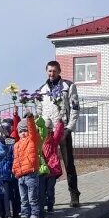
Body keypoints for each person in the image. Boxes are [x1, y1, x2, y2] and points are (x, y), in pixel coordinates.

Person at [36, 61, 81, 207]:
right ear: (46, 71)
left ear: (59, 71)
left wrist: (69, 128)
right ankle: (46, 196)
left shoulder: (68, 86)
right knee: (46, 164)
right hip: (47, 133)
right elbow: (39, 112)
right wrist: (39, 128)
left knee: (68, 164)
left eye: (54, 71)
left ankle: (74, 194)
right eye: (49, 71)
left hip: (63, 131)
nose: (52, 74)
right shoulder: (41, 90)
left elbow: (75, 108)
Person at [11, 114, 42, 218]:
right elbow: (16, 159)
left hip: (31, 174)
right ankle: (24, 217)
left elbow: (33, 130)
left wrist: (29, 120)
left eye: (25, 131)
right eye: (21, 131)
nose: (23, 133)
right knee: (23, 199)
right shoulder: (17, 145)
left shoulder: (32, 140)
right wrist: (14, 170)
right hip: (21, 176)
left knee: (32, 198)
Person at [0, 118, 18, 218]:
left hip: (7, 173)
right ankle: (0, 215)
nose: (4, 134)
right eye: (2, 131)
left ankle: (8, 215)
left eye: (6, 131)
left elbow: (12, 151)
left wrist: (6, 137)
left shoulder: (11, 141)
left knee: (7, 195)